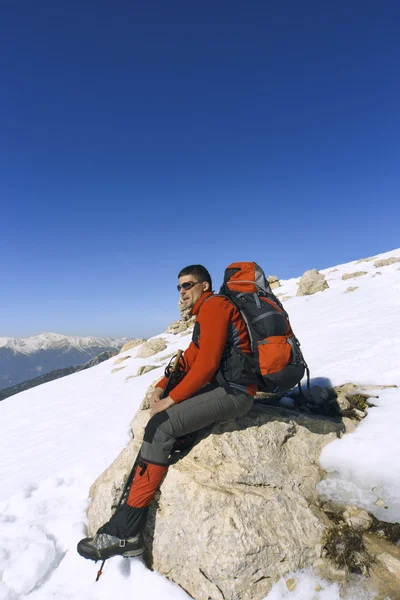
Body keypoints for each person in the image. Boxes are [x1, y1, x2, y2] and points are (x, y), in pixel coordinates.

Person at [77, 265, 257, 561]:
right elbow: (190, 358)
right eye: (179, 287)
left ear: (205, 285)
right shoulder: (207, 312)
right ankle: (127, 521)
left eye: (188, 285)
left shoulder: (214, 307)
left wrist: (170, 400)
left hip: (236, 392)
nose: (182, 292)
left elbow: (207, 365)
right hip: (228, 387)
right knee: (162, 424)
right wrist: (162, 385)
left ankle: (127, 534)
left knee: (161, 427)